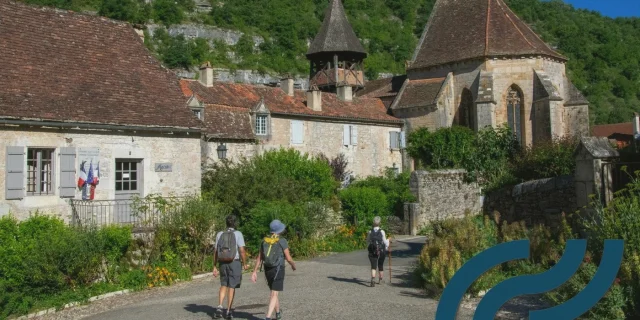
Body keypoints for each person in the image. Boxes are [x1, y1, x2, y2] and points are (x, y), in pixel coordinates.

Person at [251, 220, 297, 320]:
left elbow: (259, 257)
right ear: (280, 230)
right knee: (274, 293)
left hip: (267, 269)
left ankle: (278, 313)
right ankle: (268, 317)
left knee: (273, 292)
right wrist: (293, 265)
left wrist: (254, 271)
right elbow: (288, 257)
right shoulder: (282, 241)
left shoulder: (264, 241)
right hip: (278, 269)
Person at [213, 215, 248, 319]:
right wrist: (245, 263)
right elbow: (241, 250)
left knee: (223, 284)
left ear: (226, 223)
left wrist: (214, 265)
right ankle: (228, 311)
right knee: (231, 286)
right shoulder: (238, 234)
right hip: (234, 262)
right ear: (234, 223)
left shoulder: (220, 234)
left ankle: (219, 307)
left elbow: (215, 251)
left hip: (222, 262)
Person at [366, 216, 391, 287]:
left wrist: (368, 247)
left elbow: (367, 241)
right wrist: (389, 240)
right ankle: (380, 279)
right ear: (380, 223)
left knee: (373, 266)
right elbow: (385, 242)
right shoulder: (382, 231)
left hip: (372, 250)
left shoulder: (370, 231)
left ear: (373, 223)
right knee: (380, 265)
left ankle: (373, 279)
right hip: (381, 250)